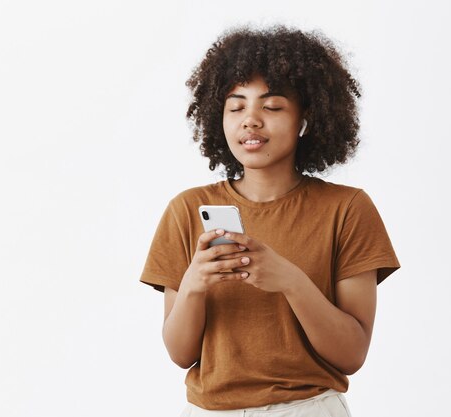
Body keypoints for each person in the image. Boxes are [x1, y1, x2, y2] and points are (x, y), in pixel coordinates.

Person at [139, 24, 400, 417]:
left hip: (309, 408)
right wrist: (193, 285)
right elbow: (180, 354)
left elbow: (351, 354)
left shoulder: (347, 209)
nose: (251, 120)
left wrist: (292, 282)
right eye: (236, 106)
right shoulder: (186, 209)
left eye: (272, 107)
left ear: (305, 118)